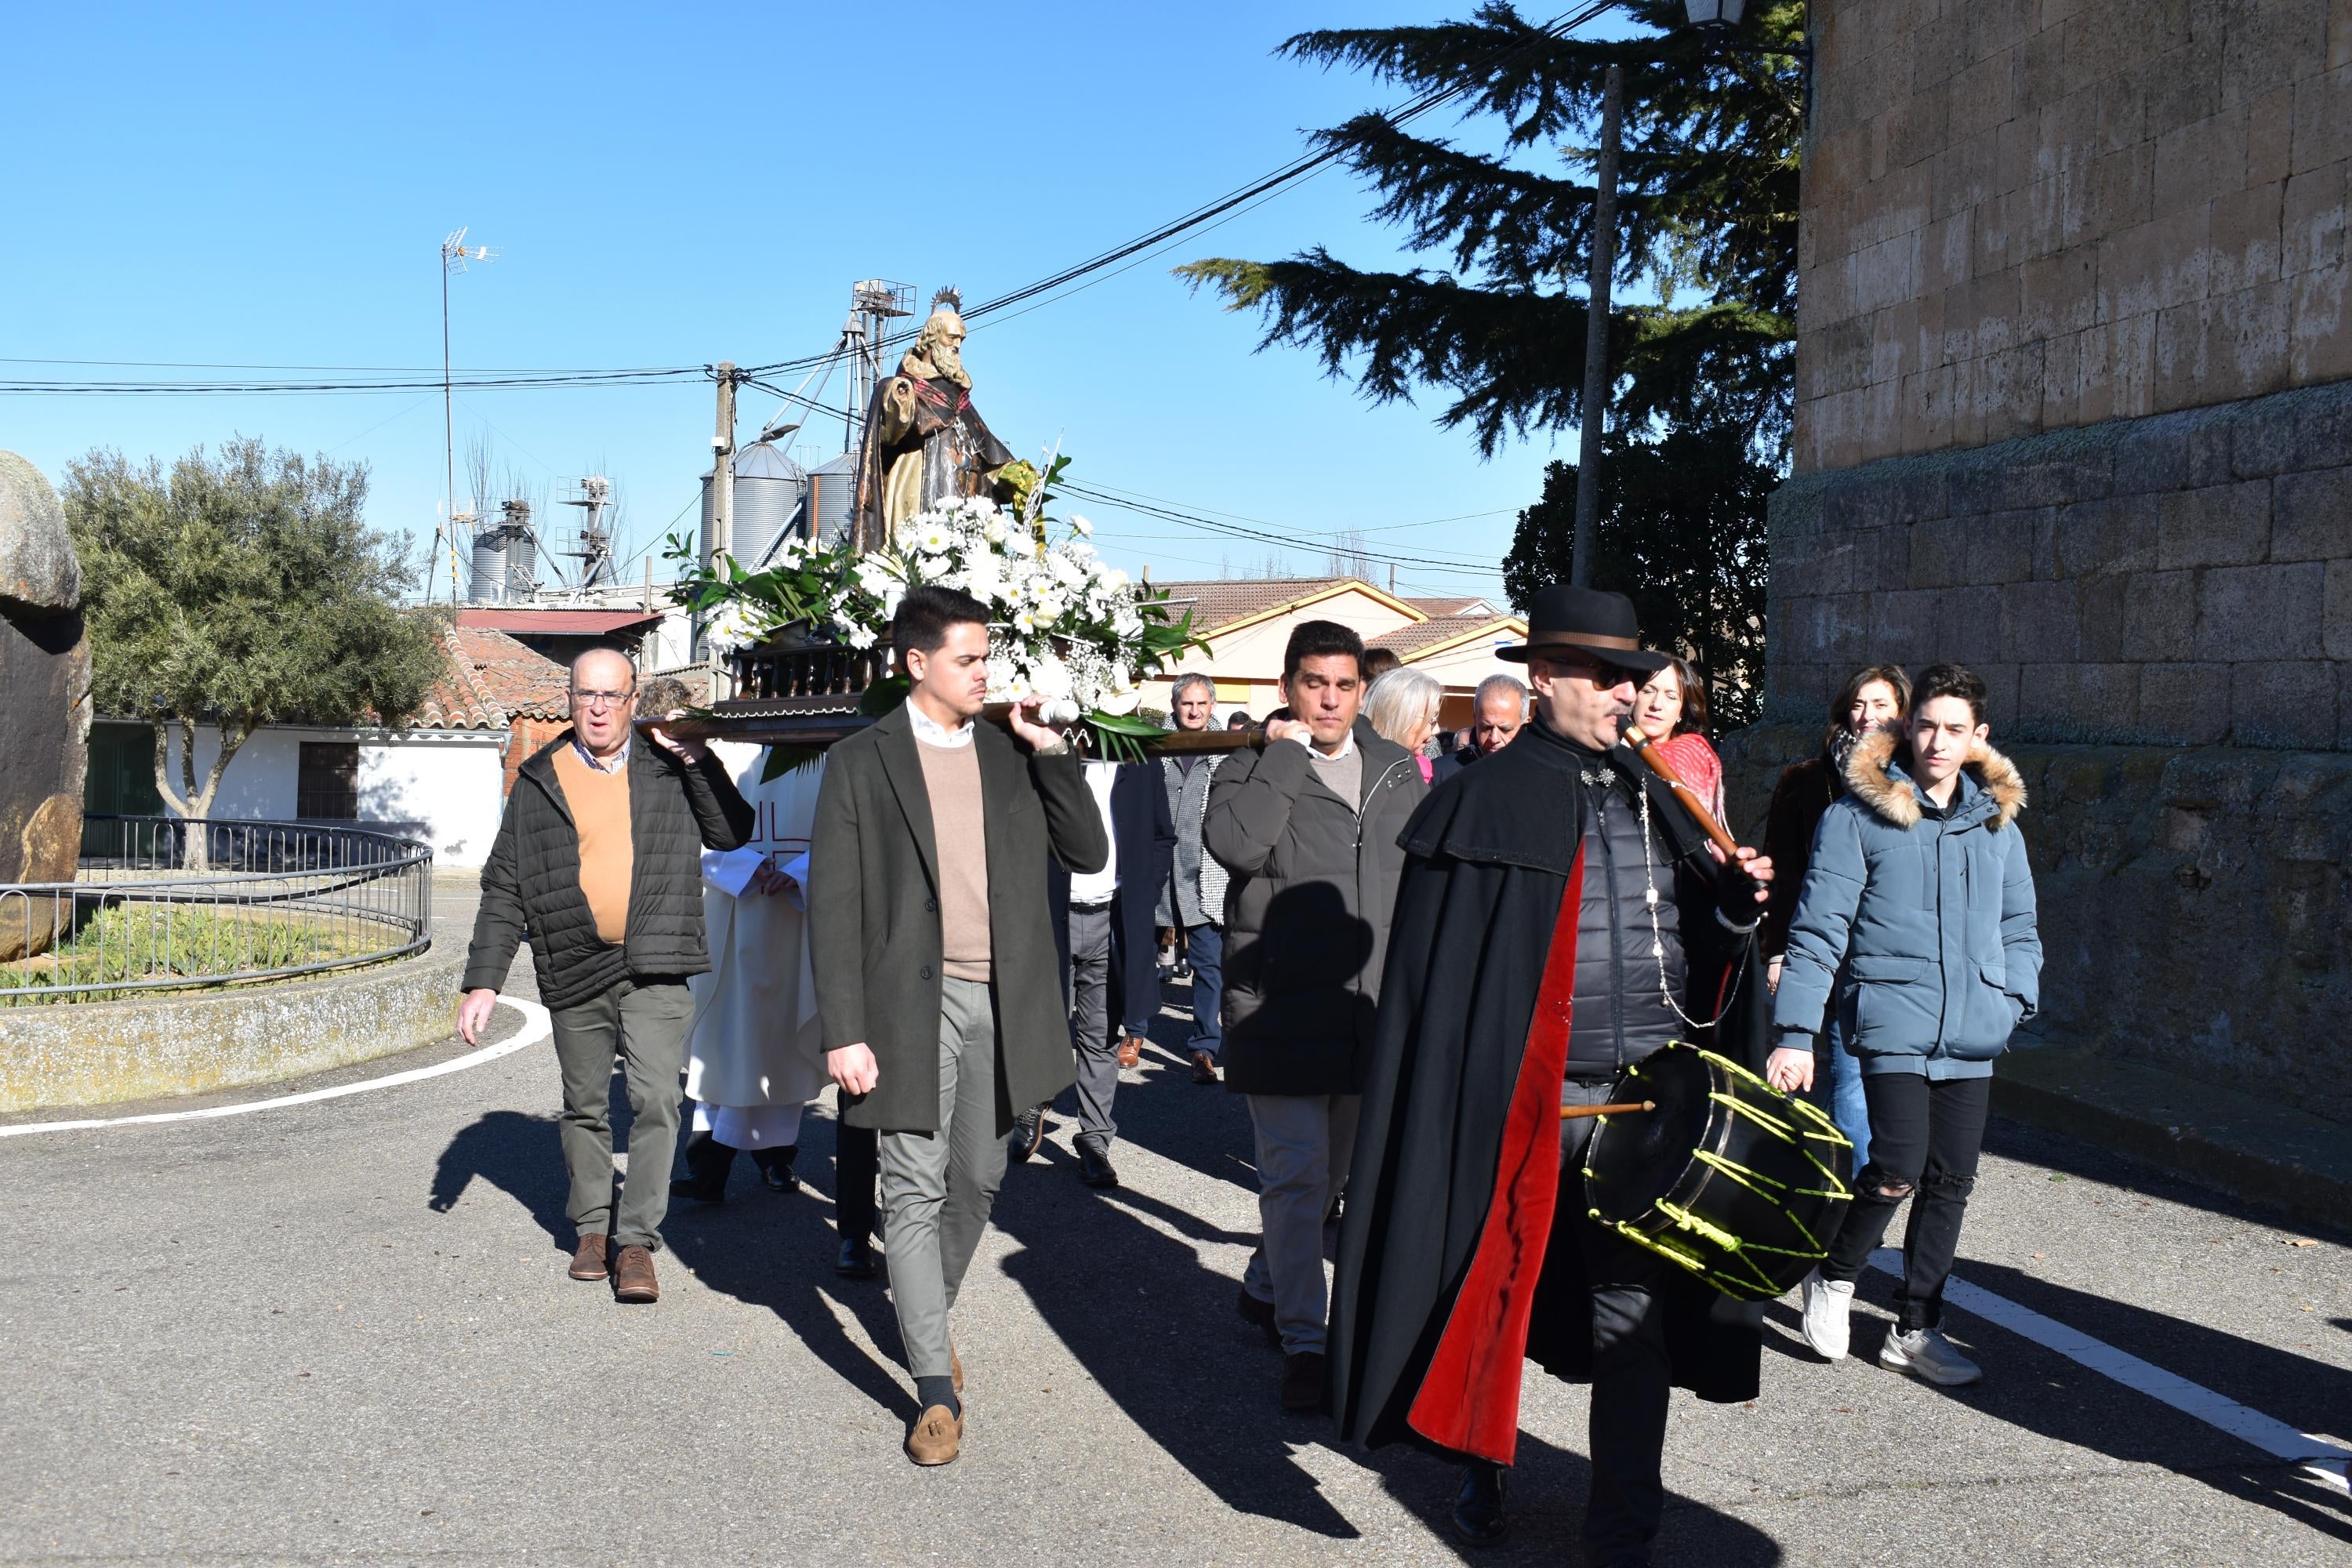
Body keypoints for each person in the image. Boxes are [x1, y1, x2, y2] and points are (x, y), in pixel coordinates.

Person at [1327, 585, 1775, 1566]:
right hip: (1529, 1103)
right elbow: (1446, 986)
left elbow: (1699, 940)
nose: (1627, 692)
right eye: (1607, 676)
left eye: (1634, 676)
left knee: (1636, 1321)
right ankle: (1481, 1466)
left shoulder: (1659, 787)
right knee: (1496, 1294)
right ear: (1547, 679)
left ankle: (1622, 1531)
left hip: (1649, 1105)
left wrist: (1737, 909)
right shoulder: (1481, 801)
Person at [808, 585, 1108, 1466]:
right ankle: (933, 1385)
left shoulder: (1011, 753)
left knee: (978, 1175)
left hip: (1002, 998)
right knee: (912, 1183)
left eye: (988, 656)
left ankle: (920, 1311)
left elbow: (1087, 852)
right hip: (905, 1002)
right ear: (917, 662)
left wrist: (1053, 748)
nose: (986, 672)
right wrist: (843, 1026)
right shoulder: (861, 760)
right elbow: (833, 904)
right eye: (969, 658)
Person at [1771, 662, 2040, 1388]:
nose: (1938, 742)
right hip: (1889, 1018)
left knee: (1951, 1180)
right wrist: (1795, 1032)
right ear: (1906, 727)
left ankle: (1917, 1328)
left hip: (1973, 1026)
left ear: (1979, 736)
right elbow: (1819, 928)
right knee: (1896, 1166)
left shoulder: (1995, 822)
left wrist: (2015, 997)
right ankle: (1835, 1275)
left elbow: (2020, 923)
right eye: (1926, 725)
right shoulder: (1857, 818)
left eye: (1955, 729)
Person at [459, 648, 755, 1305]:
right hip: (575, 962)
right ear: (570, 698)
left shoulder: (668, 765)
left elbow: (733, 833)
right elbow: (504, 885)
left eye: (611, 696)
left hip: (656, 959)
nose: (597, 708)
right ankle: (592, 1227)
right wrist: (484, 980)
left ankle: (637, 1242)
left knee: (656, 1100)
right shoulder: (538, 778)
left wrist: (697, 758)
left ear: (631, 700)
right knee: (585, 1105)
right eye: (586, 695)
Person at [1203, 620, 1427, 1412]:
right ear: (1287, 687)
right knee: (1296, 1180)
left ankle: (1265, 1283)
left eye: (1342, 684)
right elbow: (1237, 845)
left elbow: (1421, 889)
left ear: (1362, 689)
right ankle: (1306, 1338)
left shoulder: (1400, 771)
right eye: (1313, 683)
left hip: (1368, 1012)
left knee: (1329, 1179)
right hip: (1278, 1010)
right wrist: (1287, 755)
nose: (1329, 698)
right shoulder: (1249, 765)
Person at [1759, 665, 1911, 1168]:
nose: (1868, 716)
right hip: (1814, 945)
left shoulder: (1919, 786)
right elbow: (1781, 874)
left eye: (1882, 705)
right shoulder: (1805, 781)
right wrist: (1777, 949)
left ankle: (1843, 1202)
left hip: (1878, 957)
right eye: (1859, 705)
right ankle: (1822, 1193)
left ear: (1903, 714)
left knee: (1854, 1092)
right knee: (1810, 1082)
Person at [673, 742, 826, 1203]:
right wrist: (747, 864)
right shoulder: (722, 753)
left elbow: (850, 833)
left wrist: (801, 873)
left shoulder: (825, 755)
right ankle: (708, 1171)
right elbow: (690, 831)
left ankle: (778, 1159)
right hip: (732, 919)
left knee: (779, 1044)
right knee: (724, 1044)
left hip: (794, 922)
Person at [1040, 751, 1174, 1187]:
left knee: (1100, 1032)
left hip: (1112, 916)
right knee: (1043, 1021)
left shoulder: (1141, 762)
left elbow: (1161, 837)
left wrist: (1144, 892)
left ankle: (1095, 1139)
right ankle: (1032, 1104)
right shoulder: (1053, 754)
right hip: (1053, 912)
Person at [1159, 673, 1233, 1085]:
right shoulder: (1154, 748)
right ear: (1175, 706)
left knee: (1209, 966)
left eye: (1202, 704)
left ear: (1212, 707)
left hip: (1204, 873)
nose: (1194, 711)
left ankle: (1204, 1047)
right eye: (1187, 703)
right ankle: (1131, 1033)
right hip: (1157, 871)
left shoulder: (1227, 752)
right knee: (1133, 959)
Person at [1631, 655, 1725, 822]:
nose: (1656, 705)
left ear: (1682, 712)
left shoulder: (1694, 757)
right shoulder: (1608, 750)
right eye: (1648, 691)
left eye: (1671, 697)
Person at [1431, 673, 1527, 782]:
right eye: (1486, 727)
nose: (1494, 739)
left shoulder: (1544, 774)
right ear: (1475, 719)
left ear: (1525, 724)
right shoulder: (1441, 773)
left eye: (1505, 729)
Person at [1364, 665, 1443, 784]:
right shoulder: (1356, 769)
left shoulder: (1423, 771)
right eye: (1431, 718)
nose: (1436, 730)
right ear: (1400, 717)